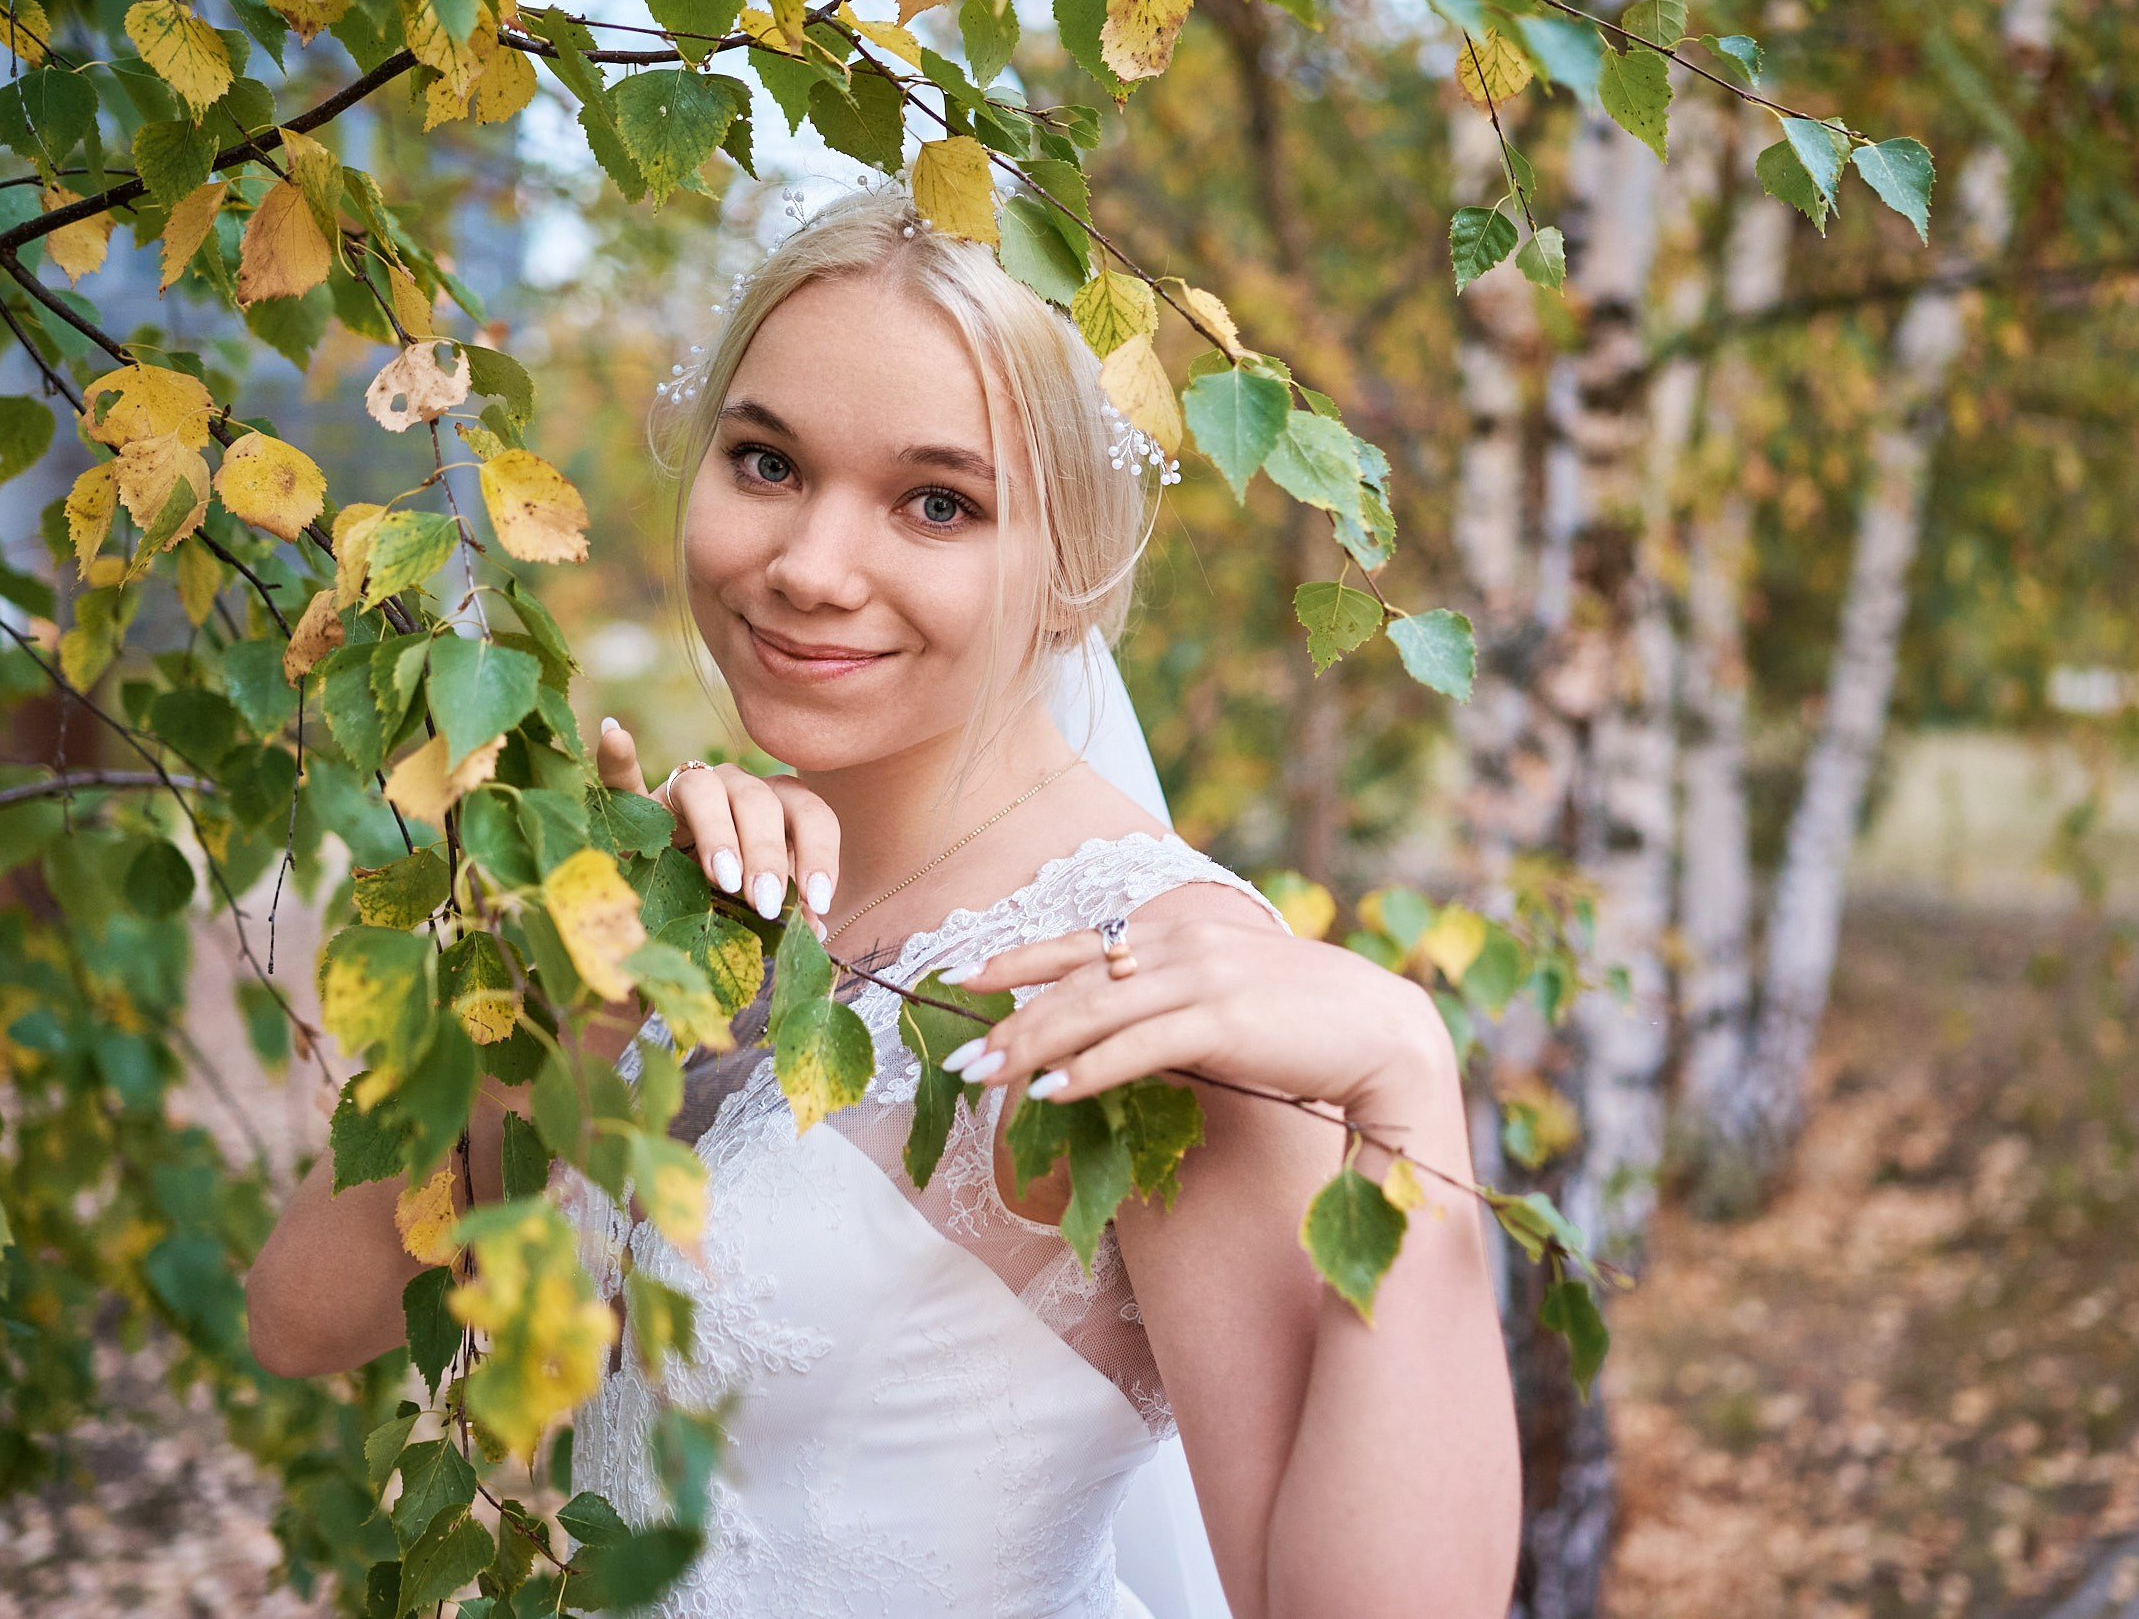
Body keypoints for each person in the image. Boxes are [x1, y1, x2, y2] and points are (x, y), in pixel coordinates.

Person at [247, 187, 1519, 1618]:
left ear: (1073, 564)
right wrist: (565, 1010)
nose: (807, 568)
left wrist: (1410, 1083)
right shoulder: (697, 877)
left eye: (937, 503)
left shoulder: (1145, 979)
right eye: (767, 461)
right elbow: (301, 1318)